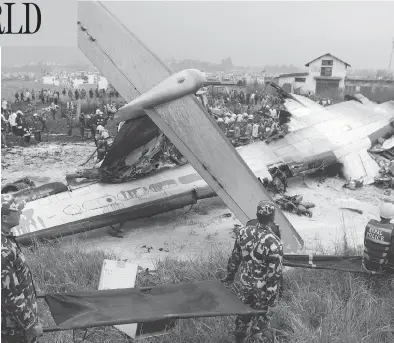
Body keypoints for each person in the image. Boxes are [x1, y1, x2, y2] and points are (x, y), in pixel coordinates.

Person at [222, 201, 283, 343]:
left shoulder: (243, 232)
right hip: (262, 293)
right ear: (273, 218)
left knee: (242, 320)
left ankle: (240, 339)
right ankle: (256, 337)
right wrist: (273, 303)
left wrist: (229, 276)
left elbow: (235, 258)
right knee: (260, 327)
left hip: (244, 286)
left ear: (257, 215)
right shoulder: (274, 243)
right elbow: (274, 276)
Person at [1, 194, 43, 343]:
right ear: (5, 218)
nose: (20, 213)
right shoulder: (3, 250)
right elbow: (10, 296)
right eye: (16, 211)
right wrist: (30, 323)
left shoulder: (5, 238)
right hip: (15, 328)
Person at [363, 202, 394, 273]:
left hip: (367, 263)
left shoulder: (370, 224)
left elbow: (366, 242)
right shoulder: (392, 230)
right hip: (381, 266)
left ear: (380, 214)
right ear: (392, 217)